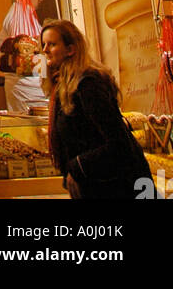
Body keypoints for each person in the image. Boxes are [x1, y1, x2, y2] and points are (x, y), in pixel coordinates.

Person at [42, 19, 152, 199]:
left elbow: (118, 143)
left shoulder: (88, 85)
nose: (45, 49)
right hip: (98, 184)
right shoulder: (63, 87)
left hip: (119, 186)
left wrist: (76, 167)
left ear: (71, 49)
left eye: (52, 44)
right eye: (44, 44)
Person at [0, 0, 50, 113]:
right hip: (27, 87)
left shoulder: (24, 13)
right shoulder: (20, 16)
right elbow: (26, 58)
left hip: (27, 86)